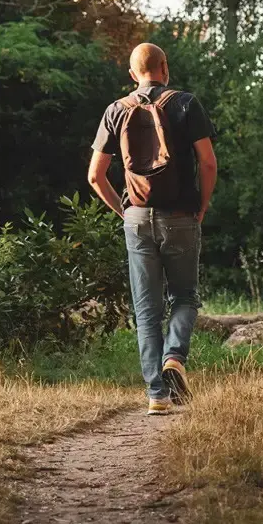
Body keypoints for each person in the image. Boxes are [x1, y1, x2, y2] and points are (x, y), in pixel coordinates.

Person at [87, 43, 217, 415]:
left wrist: (124, 211)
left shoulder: (116, 110)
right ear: (165, 67)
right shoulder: (186, 104)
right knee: (185, 298)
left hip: (138, 218)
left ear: (132, 74)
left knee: (146, 311)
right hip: (181, 216)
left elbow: (95, 176)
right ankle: (174, 358)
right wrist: (202, 205)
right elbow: (208, 164)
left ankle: (156, 396)